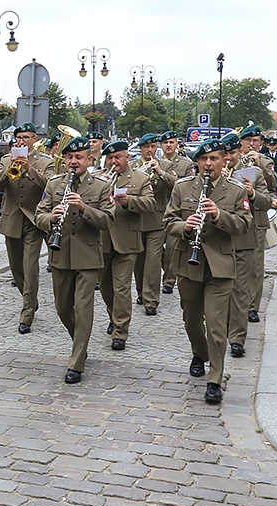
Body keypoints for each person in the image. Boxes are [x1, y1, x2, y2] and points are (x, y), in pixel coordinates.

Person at [164, 138, 251, 403]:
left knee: (215, 325)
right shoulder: (182, 187)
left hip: (220, 266)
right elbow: (168, 221)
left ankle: (215, 379)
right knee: (191, 320)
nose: (208, 164)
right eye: (203, 159)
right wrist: (185, 227)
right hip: (189, 263)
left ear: (224, 160)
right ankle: (198, 352)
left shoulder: (235, 190)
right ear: (197, 162)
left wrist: (218, 215)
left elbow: (244, 224)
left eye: (214, 158)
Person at [34, 137, 114, 384]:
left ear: (90, 160)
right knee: (62, 308)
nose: (73, 161)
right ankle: (80, 342)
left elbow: (108, 220)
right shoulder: (54, 183)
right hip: (60, 254)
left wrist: (83, 209)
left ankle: (76, 361)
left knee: (83, 308)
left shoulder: (101, 186)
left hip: (88, 256)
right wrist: (51, 218)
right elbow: (39, 215)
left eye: (79, 157)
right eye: (69, 157)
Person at [0, 122, 55, 334]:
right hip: (11, 220)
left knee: (30, 268)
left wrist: (30, 169)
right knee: (16, 269)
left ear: (34, 140)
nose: (22, 141)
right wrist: (8, 166)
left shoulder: (46, 161)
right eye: (19, 138)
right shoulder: (5, 159)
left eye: (26, 138)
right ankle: (31, 298)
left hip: (33, 221)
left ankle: (27, 312)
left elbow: (50, 185)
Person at [221, 132, 275, 359]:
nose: (227, 159)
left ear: (239, 151)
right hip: (219, 237)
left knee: (240, 290)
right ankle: (218, 331)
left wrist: (252, 192)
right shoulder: (211, 172)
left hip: (245, 237)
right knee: (220, 290)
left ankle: (236, 338)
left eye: (232, 154)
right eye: (224, 155)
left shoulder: (254, 172)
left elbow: (267, 201)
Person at [99, 140, 156, 349]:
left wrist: (128, 201)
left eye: (118, 157)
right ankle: (114, 317)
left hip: (127, 241)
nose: (114, 161)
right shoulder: (98, 178)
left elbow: (150, 204)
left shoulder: (140, 179)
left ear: (127, 157)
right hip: (103, 241)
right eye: (110, 158)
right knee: (106, 288)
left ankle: (120, 332)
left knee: (122, 288)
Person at [131, 133, 176, 315]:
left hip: (157, 221)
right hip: (136, 219)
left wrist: (160, 172)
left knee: (153, 261)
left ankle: (151, 300)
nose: (150, 150)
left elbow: (176, 185)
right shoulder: (133, 166)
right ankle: (141, 292)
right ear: (140, 148)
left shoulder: (165, 165)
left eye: (153, 146)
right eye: (146, 147)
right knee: (138, 262)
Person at [240, 125, 277, 324]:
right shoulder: (233, 160)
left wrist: (260, 165)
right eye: (248, 141)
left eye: (255, 141)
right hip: (237, 217)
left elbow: (273, 184)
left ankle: (252, 307)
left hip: (257, 218)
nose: (251, 144)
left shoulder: (266, 161)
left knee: (255, 266)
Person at [159, 131, 195, 295]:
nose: (168, 145)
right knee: (156, 250)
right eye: (165, 143)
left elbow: (183, 186)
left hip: (176, 212)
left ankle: (169, 281)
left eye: (171, 142)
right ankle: (167, 272)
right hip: (156, 211)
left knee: (172, 249)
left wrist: (162, 173)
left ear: (176, 145)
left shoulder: (185, 164)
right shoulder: (154, 162)